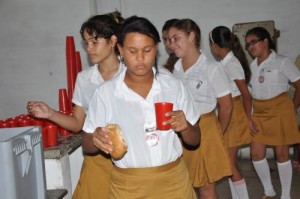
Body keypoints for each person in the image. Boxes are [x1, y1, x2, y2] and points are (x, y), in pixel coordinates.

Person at [82, 15, 201, 199]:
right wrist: (97, 138)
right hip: (128, 187)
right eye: (132, 51)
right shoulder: (106, 93)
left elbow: (195, 140)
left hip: (174, 184)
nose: (140, 58)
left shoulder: (173, 86)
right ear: (120, 49)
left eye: (147, 50)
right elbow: (87, 145)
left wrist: (185, 126)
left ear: (156, 49)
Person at [27, 11, 125, 199]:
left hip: (128, 156)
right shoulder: (85, 78)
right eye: (86, 43)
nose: (89, 48)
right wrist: (50, 114)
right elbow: (78, 123)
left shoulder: (130, 74)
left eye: (94, 42)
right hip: (97, 158)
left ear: (113, 41)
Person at [168, 19, 233, 199]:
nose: (171, 44)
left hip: (205, 128)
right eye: (169, 40)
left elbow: (226, 105)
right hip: (181, 129)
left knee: (206, 186)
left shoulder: (211, 68)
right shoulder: (175, 70)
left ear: (192, 36)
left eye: (176, 38)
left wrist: (217, 133)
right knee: (185, 182)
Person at [245, 27, 300, 199]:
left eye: (253, 42)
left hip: (279, 110)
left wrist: (292, 108)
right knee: (256, 153)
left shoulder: (282, 62)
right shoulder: (252, 66)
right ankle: (269, 190)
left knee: (282, 154)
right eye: (247, 45)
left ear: (265, 41)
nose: (250, 47)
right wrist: (250, 116)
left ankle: (285, 195)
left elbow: (299, 85)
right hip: (259, 111)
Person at [209, 26, 257, 199]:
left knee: (229, 164)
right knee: (230, 163)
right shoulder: (225, 63)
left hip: (235, 113)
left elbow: (246, 95)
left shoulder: (232, 64)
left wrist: (248, 119)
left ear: (214, 45)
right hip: (230, 110)